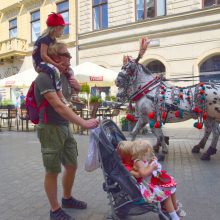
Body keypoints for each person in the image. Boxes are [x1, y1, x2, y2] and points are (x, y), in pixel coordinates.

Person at [34, 41, 99, 220]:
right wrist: (83, 123)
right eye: (66, 57)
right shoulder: (44, 77)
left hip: (64, 126)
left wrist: (75, 87)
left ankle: (67, 198)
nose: (69, 61)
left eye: (70, 57)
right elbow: (58, 106)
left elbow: (69, 102)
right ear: (55, 57)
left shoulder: (62, 77)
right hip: (49, 128)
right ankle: (54, 210)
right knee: (52, 170)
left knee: (71, 165)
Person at [117, 140, 184, 220]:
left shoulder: (134, 161)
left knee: (170, 186)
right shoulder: (127, 166)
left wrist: (150, 163)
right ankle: (174, 216)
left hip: (148, 183)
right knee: (167, 194)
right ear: (128, 155)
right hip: (144, 188)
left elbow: (144, 169)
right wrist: (151, 167)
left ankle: (174, 208)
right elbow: (140, 174)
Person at [32, 12, 81, 106]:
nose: (62, 32)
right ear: (56, 28)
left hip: (47, 62)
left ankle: (74, 94)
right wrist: (56, 64)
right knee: (54, 71)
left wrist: (77, 88)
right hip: (40, 64)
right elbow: (43, 56)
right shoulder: (45, 39)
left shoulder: (53, 40)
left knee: (70, 71)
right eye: (62, 30)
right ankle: (61, 97)